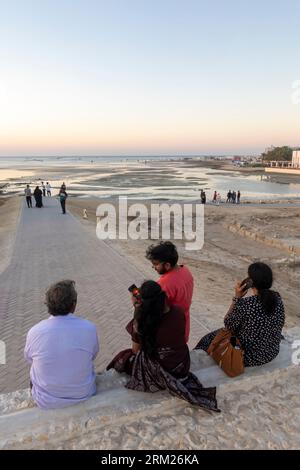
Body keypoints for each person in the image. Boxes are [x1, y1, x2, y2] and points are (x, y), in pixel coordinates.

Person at [107, 281, 219, 412]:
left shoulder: (142, 323)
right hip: (181, 365)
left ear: (143, 303)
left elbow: (136, 350)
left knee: (124, 357)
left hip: (161, 371)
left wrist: (137, 311)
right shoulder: (178, 311)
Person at [24, 280, 99, 409]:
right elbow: (93, 355)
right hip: (83, 394)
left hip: (45, 401)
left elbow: (29, 358)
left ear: (48, 305)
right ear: (73, 305)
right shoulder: (89, 327)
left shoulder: (34, 331)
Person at [195, 262, 285, 367]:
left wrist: (237, 298)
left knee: (209, 338)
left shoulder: (246, 304)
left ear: (251, 282)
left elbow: (228, 324)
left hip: (248, 357)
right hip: (271, 353)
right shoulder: (277, 298)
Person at [146, 241, 193, 342]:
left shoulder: (165, 284)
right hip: (183, 327)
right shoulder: (185, 270)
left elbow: (153, 311)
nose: (153, 267)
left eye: (155, 264)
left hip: (169, 334)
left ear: (167, 265)